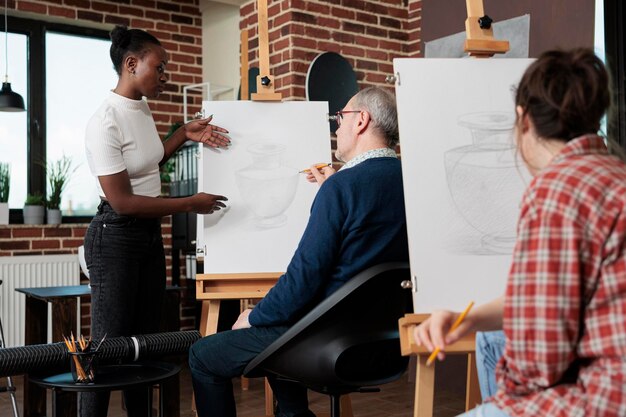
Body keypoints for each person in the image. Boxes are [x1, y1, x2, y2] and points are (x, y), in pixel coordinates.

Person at [413, 48, 626, 417]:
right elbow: (549, 300)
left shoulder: (557, 189)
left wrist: (505, 400)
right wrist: (468, 318)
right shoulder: (612, 174)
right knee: (489, 337)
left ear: (523, 120)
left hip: (602, 399)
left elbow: (538, 364)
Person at [189, 86, 409, 417]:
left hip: (328, 341)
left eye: (341, 117)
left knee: (202, 356)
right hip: (388, 344)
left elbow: (306, 276)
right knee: (284, 332)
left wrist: (255, 315)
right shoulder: (410, 181)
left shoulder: (343, 187)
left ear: (361, 120)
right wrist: (332, 192)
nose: (336, 126)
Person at [82, 25, 229, 416]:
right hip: (114, 235)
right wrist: (188, 204)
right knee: (106, 349)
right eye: (159, 68)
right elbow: (124, 201)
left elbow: (148, 160)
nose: (165, 76)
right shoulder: (104, 121)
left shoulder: (141, 108)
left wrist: (183, 134)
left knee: (142, 346)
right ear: (131, 64)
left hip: (147, 236)